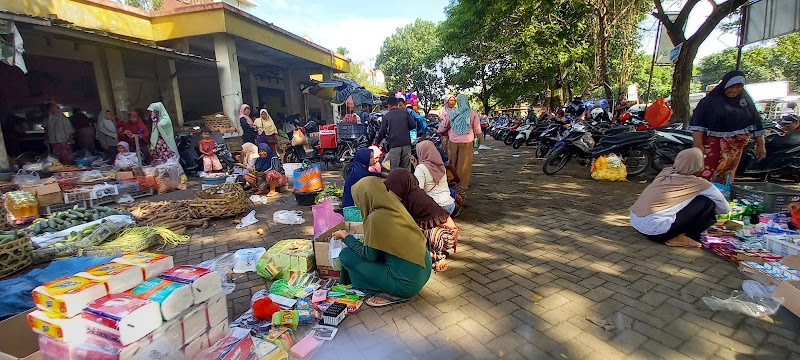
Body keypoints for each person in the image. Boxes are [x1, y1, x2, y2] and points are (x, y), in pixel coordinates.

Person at [331, 177, 432, 306]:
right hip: (423, 272)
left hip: (405, 285)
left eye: (358, 199)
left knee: (346, 255)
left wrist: (346, 236)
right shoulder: (394, 206)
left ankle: (393, 294)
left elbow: (369, 256)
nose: (357, 205)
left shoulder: (376, 217)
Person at [630, 148, 731, 247]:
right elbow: (725, 209)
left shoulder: (666, 173)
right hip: (658, 233)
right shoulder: (700, 184)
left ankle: (678, 233)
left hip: (636, 223)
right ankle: (689, 236)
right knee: (707, 202)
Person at [689, 71, 766, 183]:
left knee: (727, 173)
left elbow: (755, 123)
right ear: (724, 85)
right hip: (713, 148)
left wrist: (761, 145)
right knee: (706, 172)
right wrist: (698, 145)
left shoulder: (745, 102)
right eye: (731, 87)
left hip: (734, 150)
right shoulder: (709, 102)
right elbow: (698, 125)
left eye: (738, 87)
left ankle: (721, 196)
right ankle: (701, 195)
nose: (735, 90)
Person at [385, 169, 458, 272]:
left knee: (419, 237)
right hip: (426, 231)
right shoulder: (406, 197)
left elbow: (416, 226)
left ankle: (438, 257)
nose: (391, 193)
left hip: (444, 235)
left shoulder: (418, 200)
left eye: (393, 189)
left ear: (401, 186)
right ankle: (429, 255)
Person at [437, 94, 482, 189]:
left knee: (454, 162)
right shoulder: (472, 113)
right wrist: (479, 141)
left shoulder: (453, 112)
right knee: (464, 164)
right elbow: (477, 129)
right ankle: (463, 185)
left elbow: (445, 124)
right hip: (467, 141)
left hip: (453, 141)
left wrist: (440, 119)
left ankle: (453, 182)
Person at [410, 140, 458, 215]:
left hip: (434, 208)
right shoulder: (440, 165)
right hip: (450, 206)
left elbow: (418, 190)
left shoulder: (421, 168)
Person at [375, 96, 416, 171]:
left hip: (394, 144)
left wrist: (377, 142)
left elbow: (382, 132)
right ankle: (407, 182)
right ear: (397, 104)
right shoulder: (405, 113)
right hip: (406, 143)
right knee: (407, 167)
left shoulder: (387, 116)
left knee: (394, 169)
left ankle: (395, 182)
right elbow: (413, 125)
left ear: (389, 105)